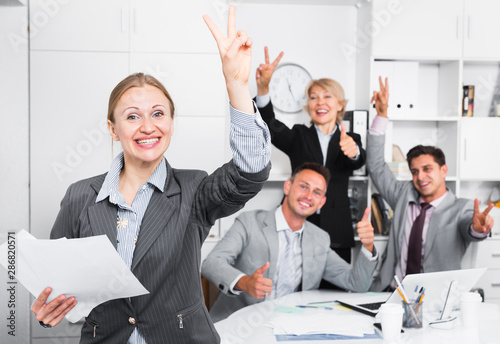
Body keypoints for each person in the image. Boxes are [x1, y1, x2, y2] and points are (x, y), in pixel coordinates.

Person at [30, 6, 271, 344]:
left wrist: (236, 85)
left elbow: (250, 173)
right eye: (132, 117)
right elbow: (57, 284)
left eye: (158, 113)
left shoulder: (193, 188)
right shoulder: (80, 196)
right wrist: (47, 314)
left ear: (171, 123)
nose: (147, 126)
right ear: (113, 130)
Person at [201, 162, 378, 322]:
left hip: (290, 325)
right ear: (288, 186)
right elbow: (211, 263)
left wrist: (368, 245)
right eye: (303, 187)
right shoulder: (249, 222)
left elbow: (357, 283)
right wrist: (245, 282)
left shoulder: (320, 239)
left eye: (317, 192)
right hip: (240, 324)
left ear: (321, 202)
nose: (309, 196)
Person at [368, 77, 494, 292]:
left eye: (427, 169)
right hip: (391, 292)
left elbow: (469, 228)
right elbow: (376, 166)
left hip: (436, 298)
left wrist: (478, 229)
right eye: (415, 171)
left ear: (443, 170)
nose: (420, 177)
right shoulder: (403, 195)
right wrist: (381, 115)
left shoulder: (461, 208)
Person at [255, 47, 366, 265]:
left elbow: (358, 159)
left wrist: (353, 153)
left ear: (340, 105)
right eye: (313, 97)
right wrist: (263, 88)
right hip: (297, 225)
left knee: (335, 292)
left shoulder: (350, 138)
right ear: (308, 106)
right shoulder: (298, 135)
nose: (319, 102)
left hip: (337, 230)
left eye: (327, 96)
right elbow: (268, 124)